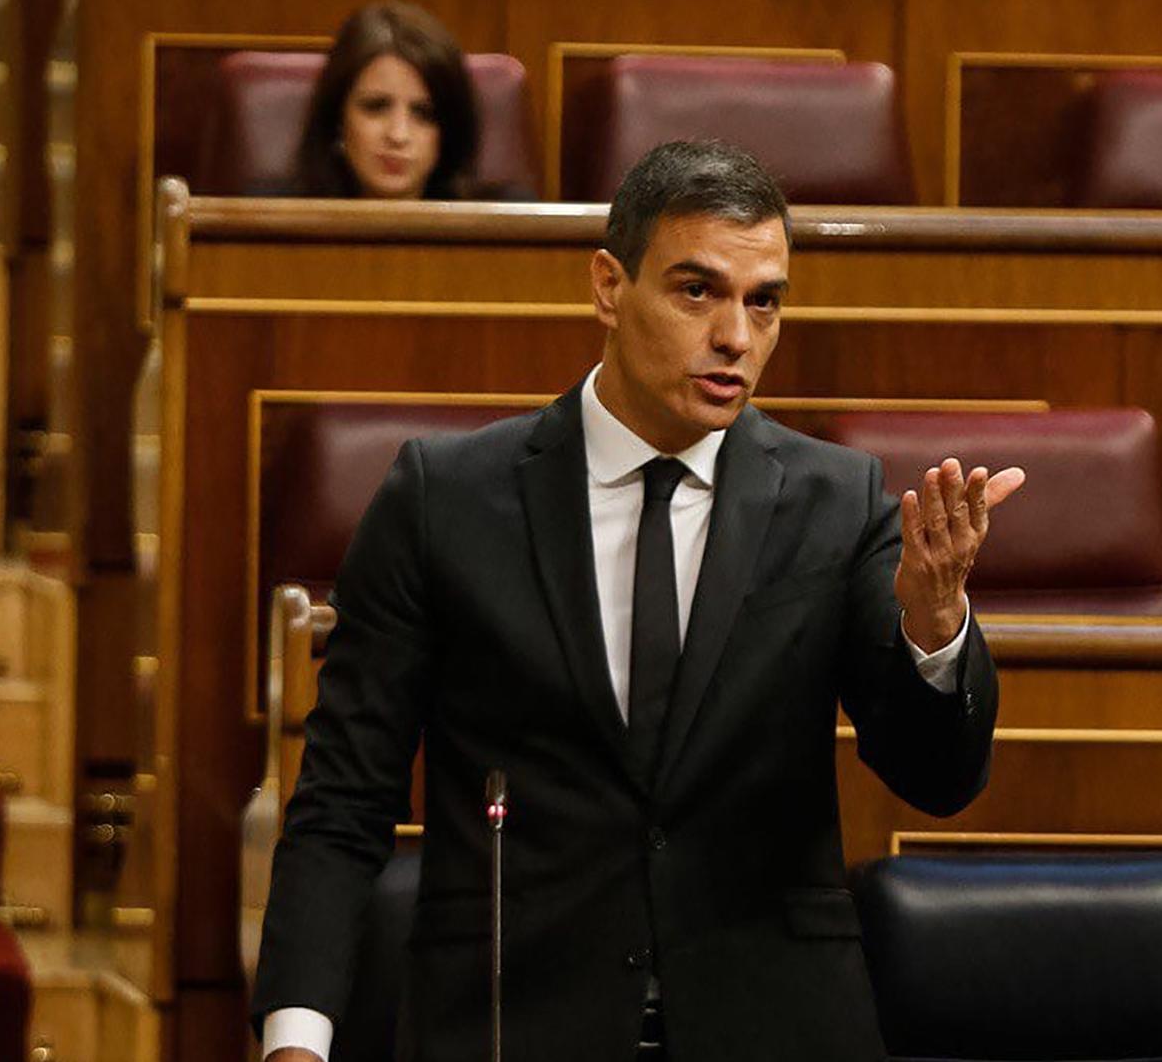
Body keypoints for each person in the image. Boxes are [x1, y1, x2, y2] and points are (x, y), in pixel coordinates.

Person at [253, 139, 1023, 1062]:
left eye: (763, 300)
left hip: (769, 1023)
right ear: (609, 286)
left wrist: (936, 628)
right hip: (512, 1022)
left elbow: (939, 779)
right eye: (698, 290)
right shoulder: (444, 498)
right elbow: (343, 796)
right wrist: (295, 1037)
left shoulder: (839, 502)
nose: (736, 336)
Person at [290, 0, 482, 200]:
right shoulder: (273, 225)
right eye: (376, 107)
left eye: (424, 114)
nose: (398, 135)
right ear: (337, 118)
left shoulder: (502, 227)